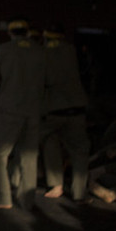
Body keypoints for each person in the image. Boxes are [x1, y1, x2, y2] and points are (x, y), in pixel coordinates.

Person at [0, 18, 45, 211]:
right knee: (28, 156)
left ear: (10, 33)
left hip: (10, 110)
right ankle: (27, 201)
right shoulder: (41, 51)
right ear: (27, 32)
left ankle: (3, 198)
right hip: (34, 110)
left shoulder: (3, 50)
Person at [39, 25, 91, 203]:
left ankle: (56, 185)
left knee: (49, 141)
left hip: (53, 109)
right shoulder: (72, 51)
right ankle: (79, 193)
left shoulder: (42, 53)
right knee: (79, 151)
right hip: (77, 108)